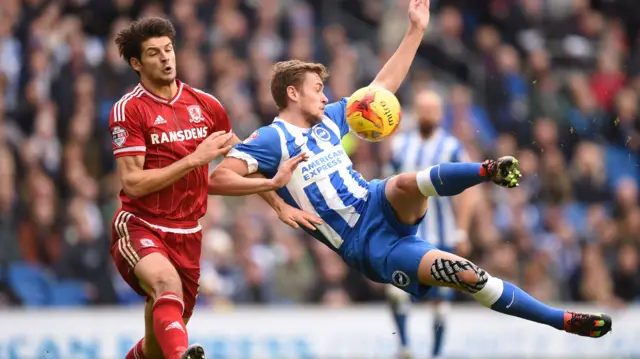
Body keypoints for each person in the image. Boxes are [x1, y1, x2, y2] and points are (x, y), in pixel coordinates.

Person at [210, 0, 611, 343]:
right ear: (293, 93)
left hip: (376, 199)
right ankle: (561, 321)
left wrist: (416, 30)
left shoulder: (331, 120)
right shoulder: (270, 139)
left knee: (404, 182)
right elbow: (218, 178)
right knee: (468, 275)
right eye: (318, 88)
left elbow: (382, 86)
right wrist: (275, 188)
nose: (326, 95)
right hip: (364, 244)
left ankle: (487, 170)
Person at [109, 17, 317, 359]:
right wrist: (195, 159)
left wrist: (278, 204)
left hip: (188, 234)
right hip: (140, 226)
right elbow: (132, 183)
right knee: (166, 286)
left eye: (168, 49)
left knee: (155, 348)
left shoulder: (205, 106)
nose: (165, 58)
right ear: (136, 63)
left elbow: (242, 162)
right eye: (153, 53)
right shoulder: (129, 110)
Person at [384, 89, 477, 359]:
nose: (427, 115)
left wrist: (461, 229)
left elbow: (469, 192)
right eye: (423, 110)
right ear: (416, 112)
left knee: (439, 302)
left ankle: (435, 354)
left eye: (432, 110)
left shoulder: (452, 147)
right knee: (395, 292)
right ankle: (404, 347)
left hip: (442, 234)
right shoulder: (399, 145)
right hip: (406, 232)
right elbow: (388, 185)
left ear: (440, 114)